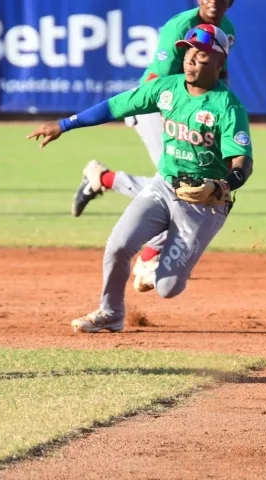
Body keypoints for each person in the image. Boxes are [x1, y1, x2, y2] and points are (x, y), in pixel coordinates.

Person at [27, 24, 253, 333]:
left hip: (204, 204)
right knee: (118, 245)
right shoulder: (166, 88)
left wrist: (223, 186)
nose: (190, 60)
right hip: (163, 186)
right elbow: (115, 106)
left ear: (219, 62)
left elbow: (242, 162)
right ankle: (111, 312)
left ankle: (161, 253)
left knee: (167, 288)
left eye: (200, 55)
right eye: (187, 52)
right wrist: (64, 124)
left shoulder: (228, 107)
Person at [71, 0, 237, 289]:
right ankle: (149, 256)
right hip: (156, 106)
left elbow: (219, 75)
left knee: (184, 182)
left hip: (191, 107)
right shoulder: (180, 26)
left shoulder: (227, 29)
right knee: (176, 183)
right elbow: (157, 82)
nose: (213, 1)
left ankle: (103, 179)